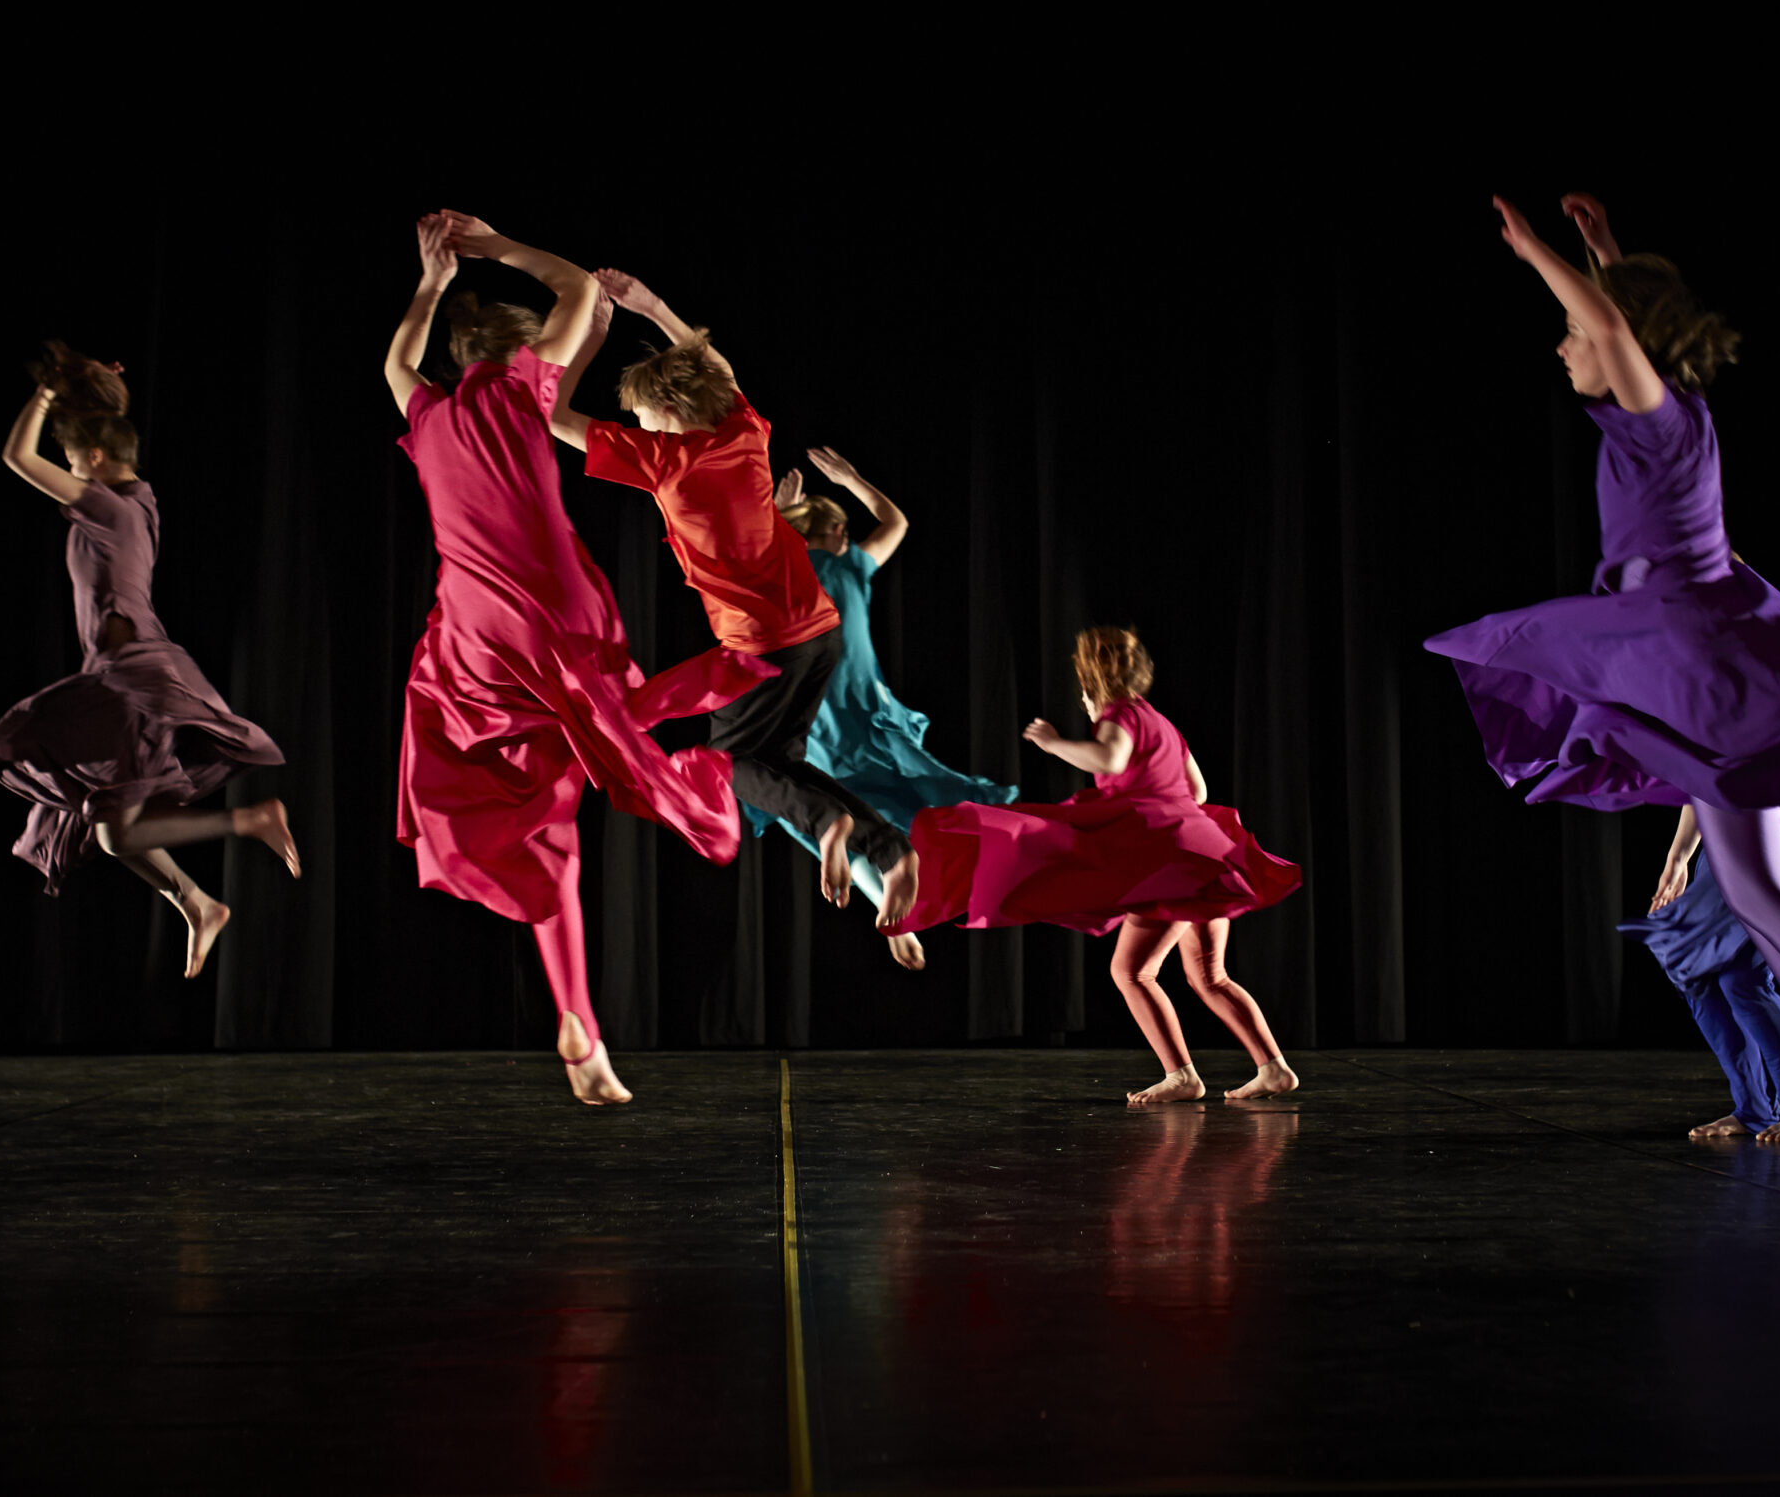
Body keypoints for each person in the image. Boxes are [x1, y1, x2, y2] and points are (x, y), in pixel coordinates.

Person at [1428, 191, 1780, 1180]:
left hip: (1703, 661)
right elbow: (1623, 324)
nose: (1564, 346)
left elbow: (1616, 329)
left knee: (1767, 892)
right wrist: (1602, 252)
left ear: (1621, 338)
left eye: (1573, 330)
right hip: (1699, 654)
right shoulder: (1668, 418)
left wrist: (1536, 251)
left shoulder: (1659, 422)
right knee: (1757, 891)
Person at [390, 214, 767, 1106]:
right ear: (523, 354)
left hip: (468, 637)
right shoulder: (518, 388)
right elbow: (579, 288)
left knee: (550, 824)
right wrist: (492, 245)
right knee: (614, 733)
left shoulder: (429, 410)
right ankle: (727, 714)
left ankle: (580, 1028)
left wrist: (432, 281)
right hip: (549, 611)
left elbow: (400, 359)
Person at [550, 269, 921, 930]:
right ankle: (891, 851)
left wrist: (592, 335)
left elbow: (553, 413)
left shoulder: (662, 459)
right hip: (820, 633)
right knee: (782, 765)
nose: (638, 424)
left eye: (641, 414)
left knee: (732, 762)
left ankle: (835, 824)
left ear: (667, 408)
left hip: (762, 646)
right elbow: (718, 369)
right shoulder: (745, 433)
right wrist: (654, 307)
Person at [0, 343, 295, 980]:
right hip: (122, 673)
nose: (69, 470)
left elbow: (17, 458)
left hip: (133, 680)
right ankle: (200, 902)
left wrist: (48, 392)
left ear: (96, 459)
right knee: (111, 832)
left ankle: (249, 823)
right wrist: (92, 392)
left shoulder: (107, 506)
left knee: (79, 790)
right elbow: (94, 437)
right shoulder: (138, 500)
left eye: (74, 459)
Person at [896, 627, 1301, 1102]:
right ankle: (1273, 1068)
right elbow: (1197, 791)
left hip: (1169, 864)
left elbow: (1110, 759)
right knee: (1211, 976)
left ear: (1092, 680)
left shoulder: (1119, 713)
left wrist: (1053, 743)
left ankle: (1182, 1076)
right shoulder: (1161, 722)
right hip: (1207, 854)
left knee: (1132, 973)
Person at [757, 448, 1017, 970]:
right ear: (831, 533)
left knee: (827, 816)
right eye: (841, 530)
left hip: (808, 718)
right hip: (856, 710)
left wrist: (774, 516)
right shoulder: (847, 566)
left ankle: (888, 902)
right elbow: (895, 522)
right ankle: (967, 870)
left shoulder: (782, 572)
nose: (846, 538)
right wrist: (852, 479)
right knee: (906, 796)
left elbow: (751, 553)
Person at [1624, 802, 1780, 1145]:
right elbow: (1697, 784)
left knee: (1743, 979)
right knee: (1698, 976)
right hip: (1726, 835)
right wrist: (1678, 858)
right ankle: (1755, 1109)